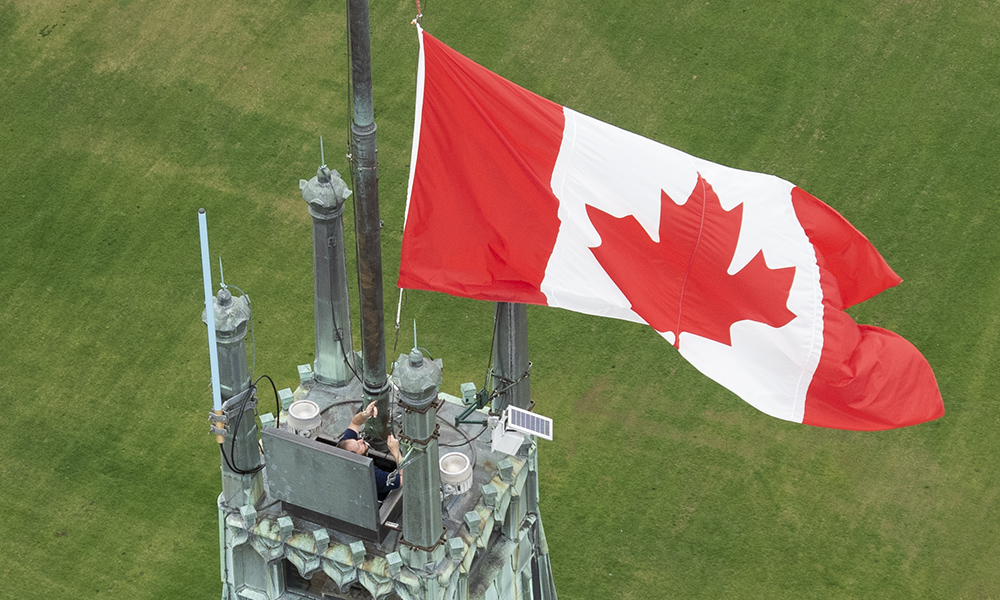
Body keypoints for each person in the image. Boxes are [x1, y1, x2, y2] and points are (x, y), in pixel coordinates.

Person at [338, 401, 402, 499]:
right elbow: (404, 479)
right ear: (357, 458)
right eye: (358, 446)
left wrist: (365, 415)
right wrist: (396, 451)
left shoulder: (343, 448)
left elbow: (355, 423)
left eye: (356, 440)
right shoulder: (371, 476)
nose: (361, 440)